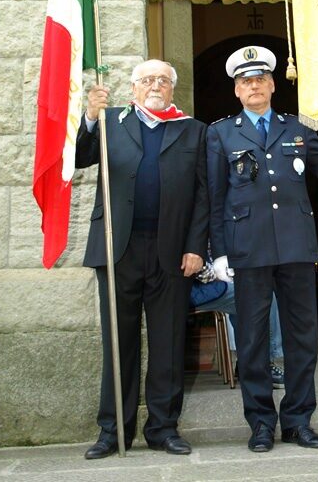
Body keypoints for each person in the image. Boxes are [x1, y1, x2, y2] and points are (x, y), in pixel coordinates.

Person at [207, 46, 318, 452]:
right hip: (248, 250)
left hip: (296, 248)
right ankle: (261, 423)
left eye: (261, 79)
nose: (254, 86)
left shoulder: (295, 128)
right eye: (246, 81)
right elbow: (214, 197)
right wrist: (220, 252)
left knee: (301, 338)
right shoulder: (221, 134)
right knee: (253, 339)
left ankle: (298, 421)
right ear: (237, 90)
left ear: (272, 85)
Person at [76, 59, 208, 460]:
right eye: (147, 80)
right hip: (118, 249)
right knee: (119, 343)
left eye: (163, 80)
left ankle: (164, 429)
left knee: (169, 342)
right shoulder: (110, 122)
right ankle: (113, 430)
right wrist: (90, 116)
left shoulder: (193, 130)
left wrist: (196, 247)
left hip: (173, 252)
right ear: (133, 88)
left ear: (172, 89)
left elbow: (204, 194)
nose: (155, 86)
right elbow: (78, 157)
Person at [190, 260, 285, 388]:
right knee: (262, 294)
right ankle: (264, 363)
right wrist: (219, 274)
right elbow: (194, 263)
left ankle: (248, 363)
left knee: (245, 294)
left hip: (198, 285)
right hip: (194, 288)